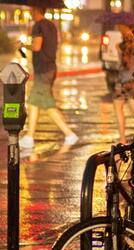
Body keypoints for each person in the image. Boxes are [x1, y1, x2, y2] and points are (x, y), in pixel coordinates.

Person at [24, 4, 79, 149]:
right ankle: (29, 137)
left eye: (31, 9)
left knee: (44, 104)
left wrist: (24, 45)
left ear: (36, 10)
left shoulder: (38, 26)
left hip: (43, 69)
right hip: (50, 68)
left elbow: (36, 47)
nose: (30, 12)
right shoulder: (52, 26)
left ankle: (69, 134)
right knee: (36, 103)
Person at [105, 23, 134, 140]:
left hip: (122, 82)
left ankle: (122, 138)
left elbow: (119, 65)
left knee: (118, 108)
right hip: (133, 82)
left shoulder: (119, 47)